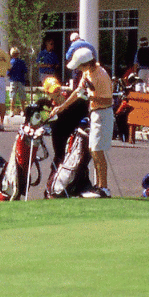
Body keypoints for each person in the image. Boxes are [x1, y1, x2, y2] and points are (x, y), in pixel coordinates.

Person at [54, 47, 117, 196]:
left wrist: (91, 98)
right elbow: (78, 91)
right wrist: (62, 107)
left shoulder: (100, 76)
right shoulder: (87, 72)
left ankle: (104, 188)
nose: (78, 69)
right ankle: (100, 186)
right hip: (95, 113)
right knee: (93, 150)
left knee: (97, 150)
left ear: (87, 63)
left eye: (80, 66)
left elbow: (109, 100)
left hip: (103, 113)